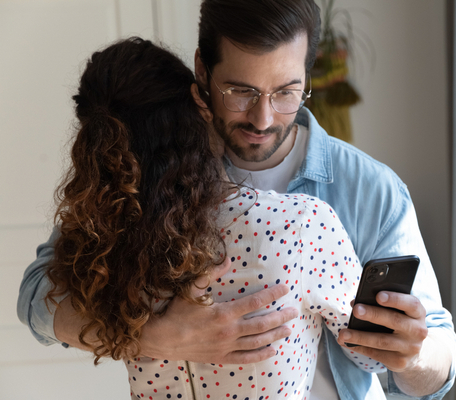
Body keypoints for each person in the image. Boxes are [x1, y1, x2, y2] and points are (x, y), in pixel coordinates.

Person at [18, 1, 456, 399]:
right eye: (241, 91)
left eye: (286, 92)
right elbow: (37, 298)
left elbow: (438, 367)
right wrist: (155, 336)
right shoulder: (148, 175)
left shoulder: (371, 189)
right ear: (202, 73)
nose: (263, 118)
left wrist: (413, 355)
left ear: (307, 77)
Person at [43, 37, 378, 399]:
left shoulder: (104, 242)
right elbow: (372, 355)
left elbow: (35, 302)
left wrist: (149, 336)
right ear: (200, 109)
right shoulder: (302, 224)